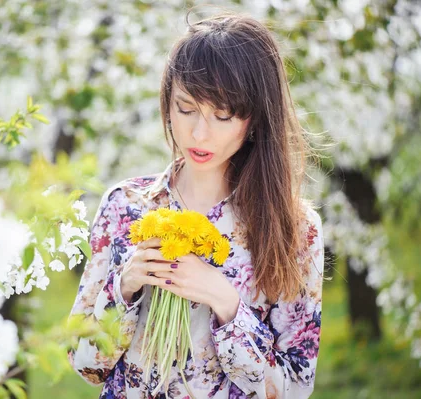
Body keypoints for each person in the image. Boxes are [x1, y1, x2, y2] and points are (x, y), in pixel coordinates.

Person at [67, 11, 324, 399]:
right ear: (167, 104)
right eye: (185, 109)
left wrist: (226, 303)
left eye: (222, 116)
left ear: (254, 120)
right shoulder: (125, 206)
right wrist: (125, 288)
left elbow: (294, 390)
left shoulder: (294, 227)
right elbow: (85, 365)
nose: (199, 133)